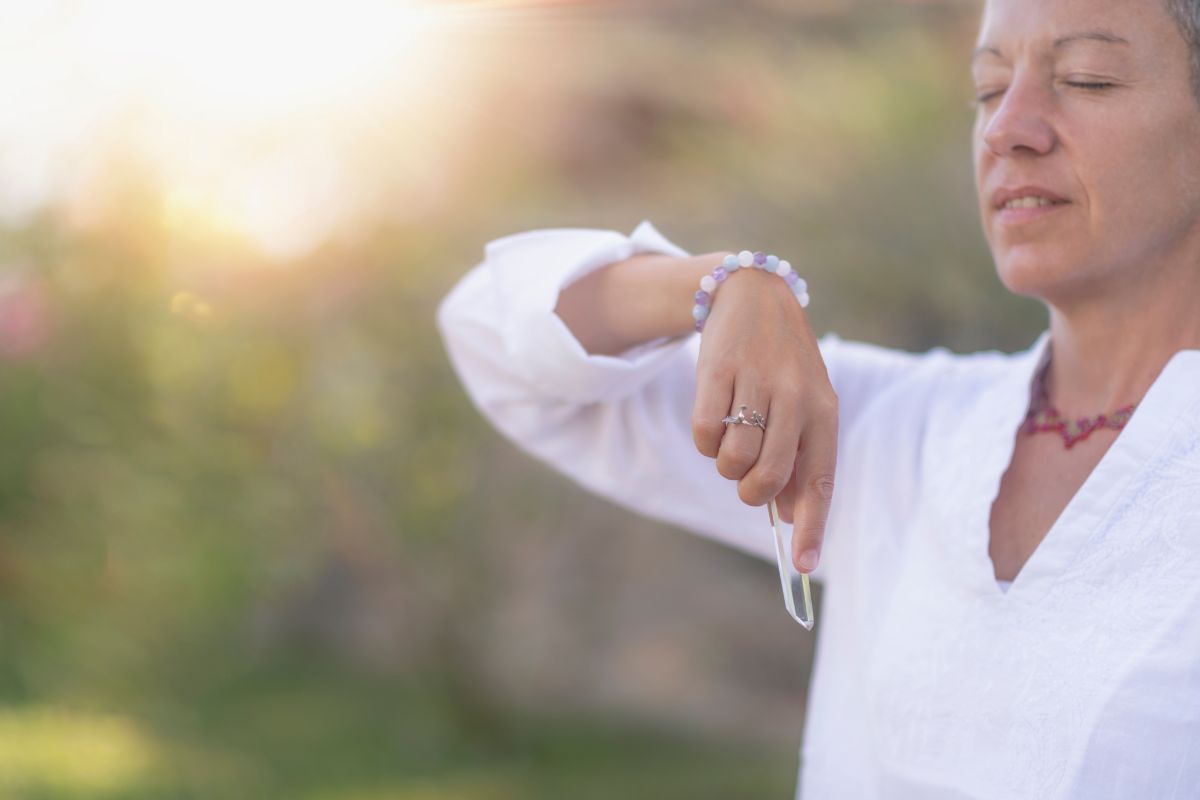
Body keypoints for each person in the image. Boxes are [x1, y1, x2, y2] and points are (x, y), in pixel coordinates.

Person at [436, 0, 1200, 796]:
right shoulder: (892, 430)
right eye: (987, 88)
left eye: (1086, 79)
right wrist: (726, 282)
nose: (1009, 126)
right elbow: (493, 339)